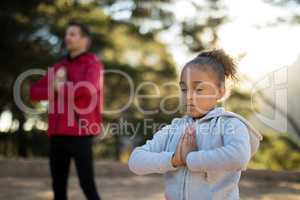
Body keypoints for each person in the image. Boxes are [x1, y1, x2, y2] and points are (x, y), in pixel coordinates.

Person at [128, 49, 263, 200]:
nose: (189, 97)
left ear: (220, 91)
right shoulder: (174, 128)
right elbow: (135, 161)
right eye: (184, 89)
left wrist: (190, 159)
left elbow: (239, 156)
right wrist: (174, 160)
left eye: (199, 89)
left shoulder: (230, 124)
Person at [29, 21, 104, 200]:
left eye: (73, 34)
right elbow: (34, 92)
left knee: (87, 184)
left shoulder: (93, 64)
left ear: (85, 40)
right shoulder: (58, 67)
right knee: (58, 186)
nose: (67, 37)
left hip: (81, 132)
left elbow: (86, 90)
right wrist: (56, 88)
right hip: (57, 134)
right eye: (67, 34)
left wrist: (60, 86)